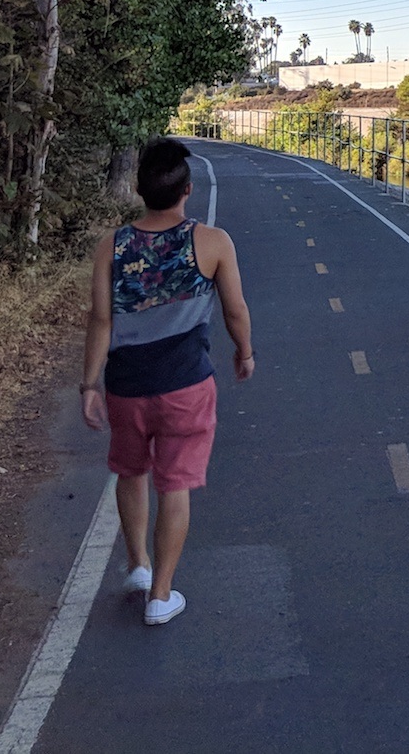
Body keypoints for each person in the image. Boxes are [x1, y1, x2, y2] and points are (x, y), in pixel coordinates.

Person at [80, 139, 254, 626]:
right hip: (186, 386)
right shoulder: (213, 242)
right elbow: (235, 310)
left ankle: (138, 565)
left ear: (139, 192)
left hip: (126, 385)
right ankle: (161, 594)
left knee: (131, 471)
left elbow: (100, 320)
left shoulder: (111, 246)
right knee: (174, 484)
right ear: (188, 191)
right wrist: (244, 352)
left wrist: (89, 384)